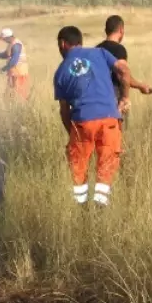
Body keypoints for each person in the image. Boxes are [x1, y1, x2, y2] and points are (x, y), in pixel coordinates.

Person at [53, 25, 133, 206]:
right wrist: (125, 98)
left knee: (78, 170)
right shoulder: (101, 54)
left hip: (82, 123)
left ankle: (81, 209)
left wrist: (72, 133)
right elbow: (124, 71)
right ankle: (100, 210)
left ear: (63, 44)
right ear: (80, 42)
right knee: (105, 169)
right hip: (109, 120)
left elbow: (64, 111)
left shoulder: (60, 72)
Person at [96, 15, 151, 127]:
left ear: (106, 30)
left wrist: (140, 86)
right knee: (118, 135)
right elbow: (123, 74)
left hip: (97, 97)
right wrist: (125, 98)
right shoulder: (119, 49)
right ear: (121, 30)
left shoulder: (96, 49)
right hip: (114, 97)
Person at [0, 28, 30, 101]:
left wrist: (3, 69)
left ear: (8, 37)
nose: (3, 41)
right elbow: (5, 55)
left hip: (19, 73)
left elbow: (13, 61)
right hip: (13, 73)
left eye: (4, 39)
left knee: (20, 96)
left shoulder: (16, 45)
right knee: (10, 95)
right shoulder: (11, 44)